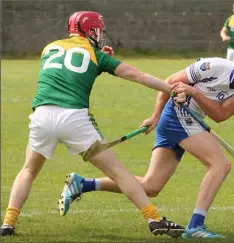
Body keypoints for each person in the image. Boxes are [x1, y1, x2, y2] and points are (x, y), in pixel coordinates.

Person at [0, 11, 186, 237]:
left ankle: (8, 223)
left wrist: (97, 57)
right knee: (117, 171)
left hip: (42, 115)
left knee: (28, 170)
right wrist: (171, 89)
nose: (100, 34)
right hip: (74, 119)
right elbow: (137, 75)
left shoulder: (49, 48)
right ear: (89, 31)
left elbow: (71, 67)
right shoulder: (97, 56)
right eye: (97, 30)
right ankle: (154, 218)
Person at [58, 52, 234, 238]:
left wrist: (194, 93)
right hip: (176, 116)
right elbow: (170, 81)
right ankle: (195, 226)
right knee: (220, 165)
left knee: (150, 187)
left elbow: (220, 115)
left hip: (190, 120)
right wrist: (155, 116)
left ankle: (82, 184)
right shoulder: (215, 66)